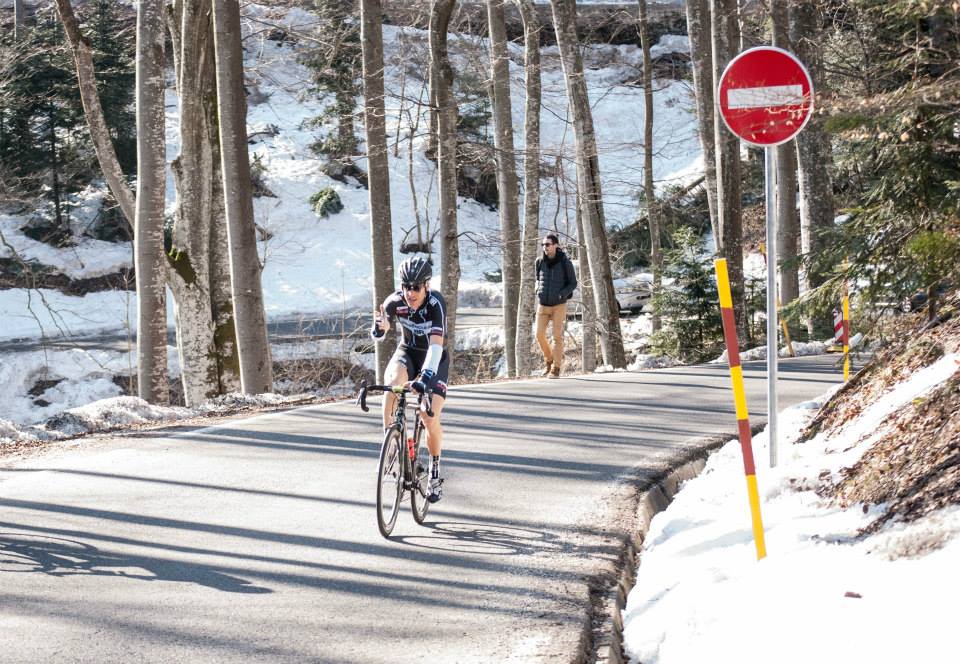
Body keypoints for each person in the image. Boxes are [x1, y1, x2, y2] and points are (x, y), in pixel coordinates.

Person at [370, 256, 449, 502]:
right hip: (407, 353)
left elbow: (436, 346)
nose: (410, 292)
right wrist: (379, 329)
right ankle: (391, 443)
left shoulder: (436, 304)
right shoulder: (395, 302)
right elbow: (379, 332)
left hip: (433, 359)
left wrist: (425, 378)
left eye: (416, 287)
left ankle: (434, 472)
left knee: (428, 416)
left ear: (426, 285)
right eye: (406, 286)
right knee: (392, 382)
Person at [535, 233, 577, 378]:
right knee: (539, 335)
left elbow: (573, 283)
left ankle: (556, 368)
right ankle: (549, 360)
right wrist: (537, 290)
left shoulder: (565, 262)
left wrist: (562, 294)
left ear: (555, 245)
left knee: (557, 337)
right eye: (543, 245)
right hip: (543, 305)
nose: (544, 247)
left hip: (559, 305)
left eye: (547, 244)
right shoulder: (539, 261)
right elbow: (537, 279)